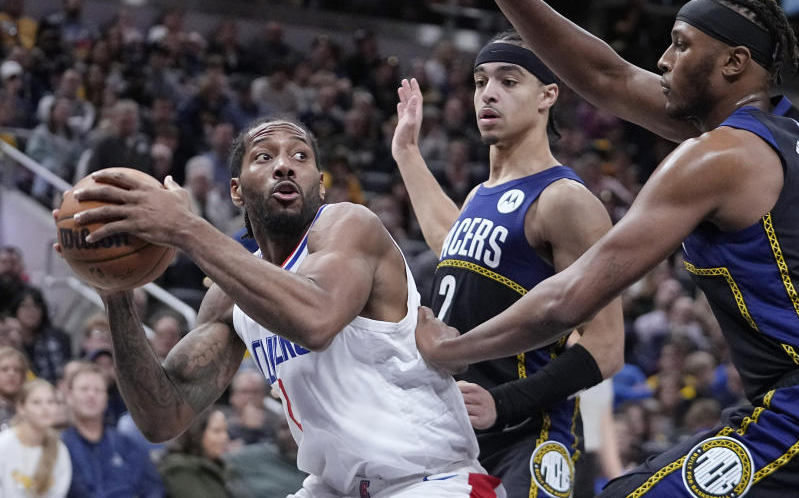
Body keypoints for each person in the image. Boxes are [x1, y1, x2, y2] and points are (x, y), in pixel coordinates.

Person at [417, 0, 799, 498]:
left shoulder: (719, 156)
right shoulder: (783, 133)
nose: (662, 58)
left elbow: (567, 300)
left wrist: (451, 348)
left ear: (733, 63)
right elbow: (604, 75)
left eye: (681, 46)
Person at [59, 117, 501, 498]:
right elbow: (163, 415)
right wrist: (114, 292)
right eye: (264, 157)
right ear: (236, 189)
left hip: (428, 479)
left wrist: (187, 229)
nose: (285, 164)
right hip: (335, 486)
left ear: (320, 185)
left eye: (301, 156)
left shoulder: (349, 226)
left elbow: (315, 319)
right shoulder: (230, 293)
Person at [392, 31, 624, 497]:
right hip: (456, 431)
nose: (488, 93)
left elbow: (606, 347)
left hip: (528, 437)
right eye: (480, 82)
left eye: (508, 80)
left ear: (547, 95)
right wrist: (407, 153)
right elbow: (455, 244)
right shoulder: (481, 195)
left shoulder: (566, 201)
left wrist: (504, 403)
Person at [61, 363, 164, 498]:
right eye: (84, 389)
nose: (91, 395)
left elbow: (153, 489)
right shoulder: (60, 447)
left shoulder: (128, 445)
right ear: (69, 396)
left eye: (98, 390)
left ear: (106, 399)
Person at [0, 379, 71, 497]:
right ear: (21, 408)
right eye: (36, 402)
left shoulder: (60, 450)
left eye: (51, 402)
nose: (45, 408)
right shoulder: (3, 444)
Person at [158, 405, 231, 498]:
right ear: (197, 433)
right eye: (217, 431)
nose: (225, 437)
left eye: (225, 430)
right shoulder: (179, 468)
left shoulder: (220, 465)